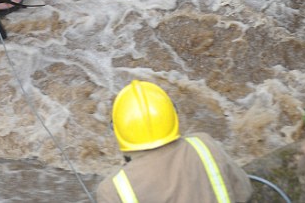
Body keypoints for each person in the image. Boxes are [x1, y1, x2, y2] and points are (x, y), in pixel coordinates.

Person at [96, 80, 253, 203]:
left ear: (117, 130)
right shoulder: (204, 145)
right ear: (173, 115)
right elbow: (244, 191)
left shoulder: (113, 189)